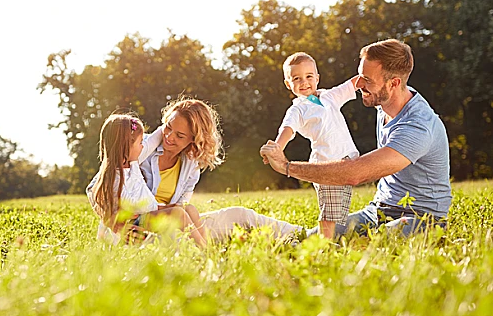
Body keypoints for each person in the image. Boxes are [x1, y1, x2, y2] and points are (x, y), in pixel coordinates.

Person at [260, 39, 452, 237]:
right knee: (318, 238)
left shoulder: (418, 126)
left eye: (367, 80)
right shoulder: (383, 105)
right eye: (360, 77)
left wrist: (287, 167)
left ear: (393, 83)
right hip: (377, 212)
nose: (360, 85)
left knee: (379, 241)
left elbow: (354, 174)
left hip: (421, 218)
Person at [141, 97, 307, 242]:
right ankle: (204, 252)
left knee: (239, 215)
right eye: (168, 127)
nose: (169, 137)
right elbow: (117, 187)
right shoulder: (139, 149)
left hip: (172, 226)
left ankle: (305, 236)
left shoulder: (190, 165)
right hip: (138, 230)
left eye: (180, 135)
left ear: (194, 139)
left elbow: (181, 208)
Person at [86, 113, 207, 247]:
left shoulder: (132, 165)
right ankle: (205, 250)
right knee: (178, 214)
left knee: (189, 209)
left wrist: (161, 208)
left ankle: (208, 247)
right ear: (126, 146)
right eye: (140, 142)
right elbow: (132, 206)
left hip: (144, 214)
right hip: (131, 224)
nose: (144, 146)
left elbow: (142, 197)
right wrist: (162, 210)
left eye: (180, 135)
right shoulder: (115, 175)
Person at [275, 51, 360, 238]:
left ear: (317, 78)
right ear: (289, 84)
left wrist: (370, 77)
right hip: (325, 164)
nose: (304, 82)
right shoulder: (298, 109)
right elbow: (288, 130)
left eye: (308, 76)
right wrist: (277, 147)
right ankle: (325, 245)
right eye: (297, 78)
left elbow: (351, 85)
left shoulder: (329, 96)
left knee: (338, 209)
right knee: (329, 212)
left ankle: (328, 240)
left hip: (346, 160)